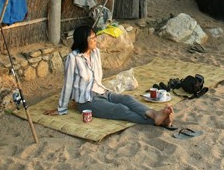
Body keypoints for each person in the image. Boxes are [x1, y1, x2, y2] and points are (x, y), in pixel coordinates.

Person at [44, 25, 174, 127]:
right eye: (92, 38)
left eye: (95, 37)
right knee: (120, 109)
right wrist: (61, 108)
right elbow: (68, 84)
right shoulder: (73, 58)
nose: (96, 40)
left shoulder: (95, 53)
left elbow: (97, 78)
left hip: (103, 92)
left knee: (127, 99)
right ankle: (160, 122)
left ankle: (155, 114)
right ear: (83, 40)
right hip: (87, 101)